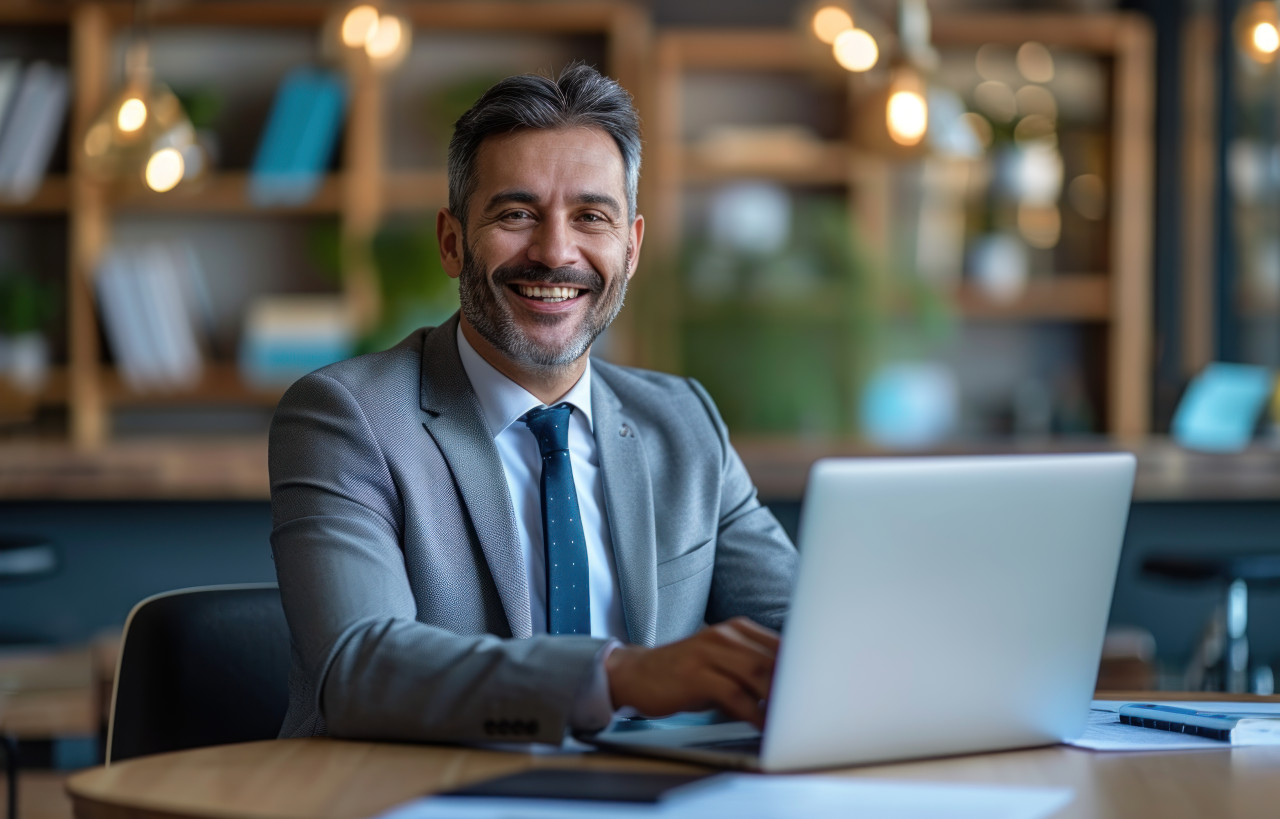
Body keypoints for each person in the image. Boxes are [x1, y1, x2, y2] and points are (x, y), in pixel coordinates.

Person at [269, 63, 798, 745]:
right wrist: (620, 676)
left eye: (591, 217)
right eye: (516, 214)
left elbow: (806, 633)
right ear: (453, 241)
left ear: (630, 248)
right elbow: (360, 667)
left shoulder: (685, 420)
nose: (554, 252)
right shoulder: (346, 415)